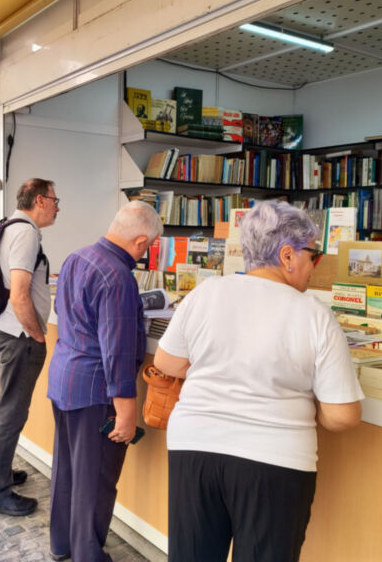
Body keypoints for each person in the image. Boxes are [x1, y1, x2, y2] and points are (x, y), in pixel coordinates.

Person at [153, 200, 363, 562]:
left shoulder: (206, 293)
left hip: (194, 447)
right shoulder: (314, 314)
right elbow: (343, 416)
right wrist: (311, 407)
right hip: (275, 458)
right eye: (314, 255)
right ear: (287, 256)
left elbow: (166, 361)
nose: (315, 267)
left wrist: (219, 370)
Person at [48, 201, 162, 562]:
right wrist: (126, 413)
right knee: (96, 479)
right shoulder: (118, 278)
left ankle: (63, 544)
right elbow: (116, 351)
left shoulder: (76, 258)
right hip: (97, 390)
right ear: (141, 242)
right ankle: (88, 553)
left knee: (67, 469)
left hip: (65, 379)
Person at [0, 178, 59, 517]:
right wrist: (37, 334)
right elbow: (20, 292)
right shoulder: (25, 233)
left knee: (7, 409)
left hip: (4, 328)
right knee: (13, 412)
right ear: (40, 200)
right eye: (55, 200)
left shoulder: (9, 226)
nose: (58, 207)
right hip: (19, 336)